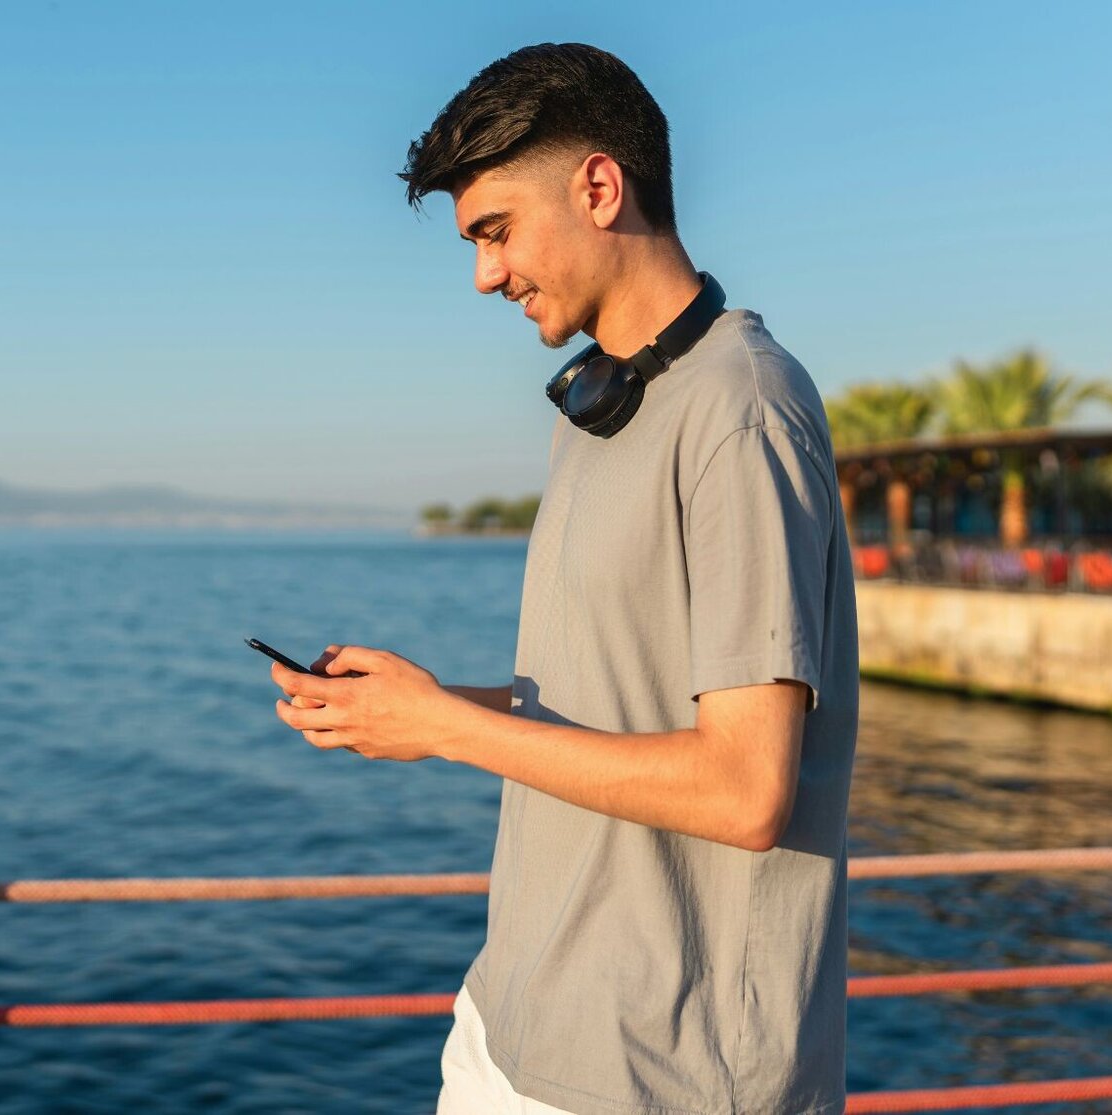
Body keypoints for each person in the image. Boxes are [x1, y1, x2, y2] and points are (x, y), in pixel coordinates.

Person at [267, 42, 859, 1115]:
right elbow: (612, 699)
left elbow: (744, 787)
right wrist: (422, 703)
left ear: (598, 186)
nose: (484, 274)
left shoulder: (740, 410)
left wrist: (445, 730)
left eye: (494, 231)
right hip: (510, 1029)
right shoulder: (599, 412)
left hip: (656, 1080)